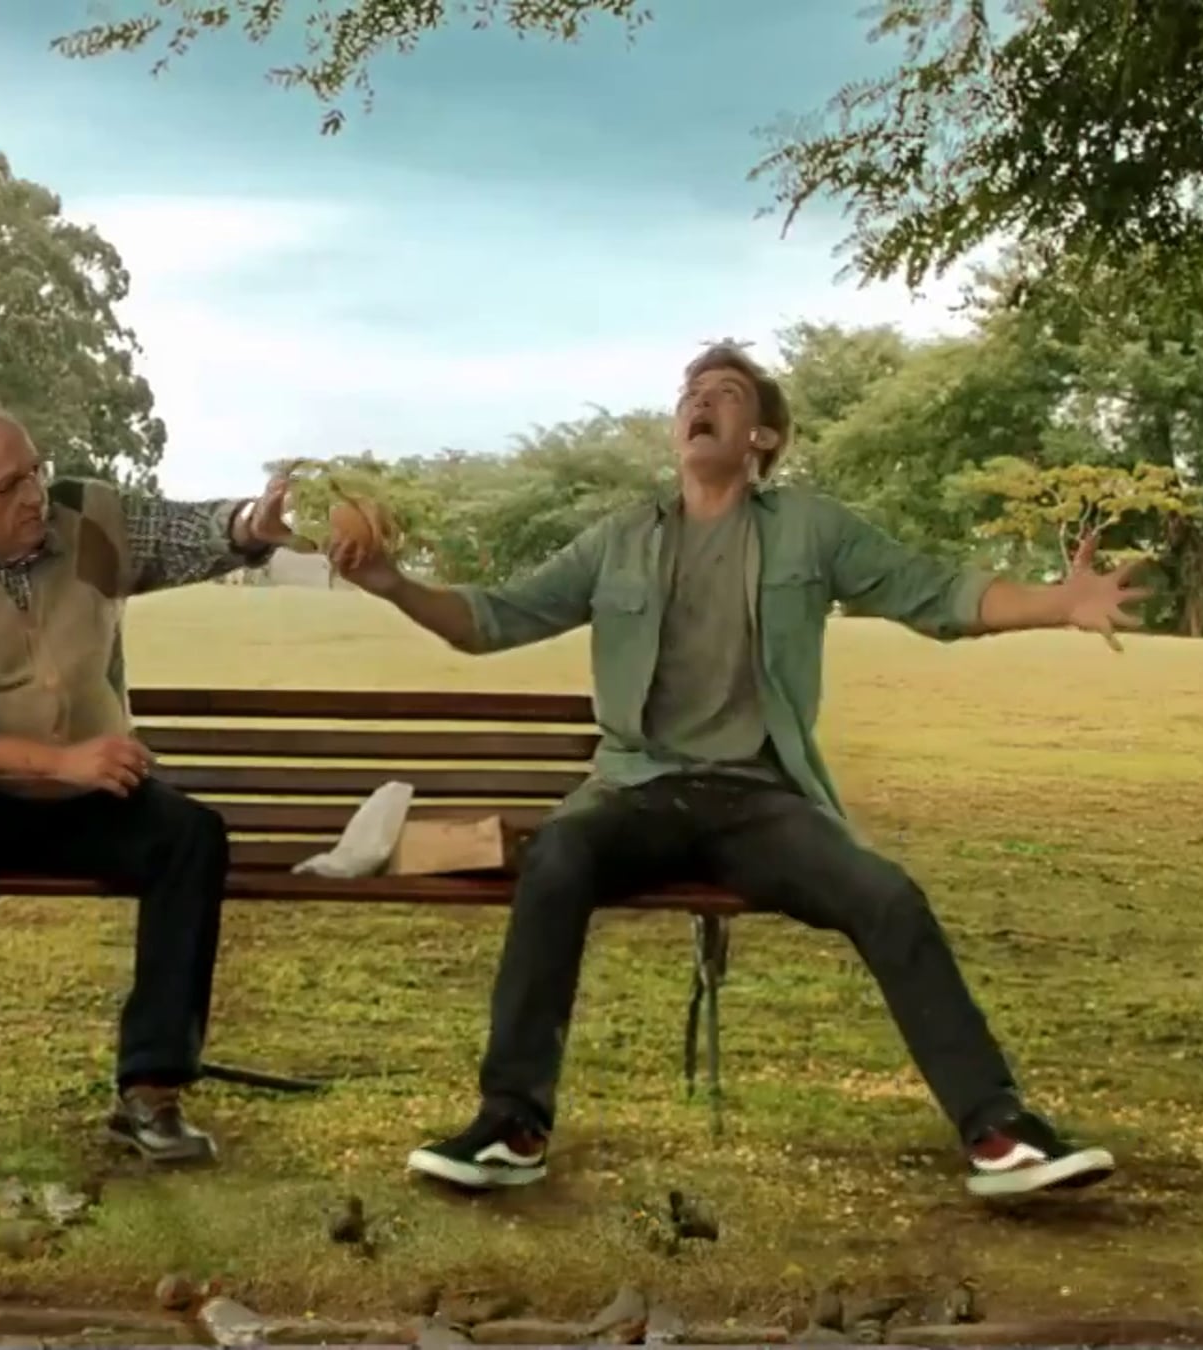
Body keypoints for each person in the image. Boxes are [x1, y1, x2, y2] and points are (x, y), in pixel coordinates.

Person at [327, 345, 1141, 1199]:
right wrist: (391, 583)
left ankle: (1000, 1131)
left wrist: (1059, 601)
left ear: (763, 437)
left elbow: (933, 592)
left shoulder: (810, 529)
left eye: (724, 392)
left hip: (760, 803)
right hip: (637, 792)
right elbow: (492, 619)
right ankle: (510, 1126)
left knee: (885, 895)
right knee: (558, 857)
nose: (700, 402)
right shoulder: (620, 540)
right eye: (691, 392)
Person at [0, 404, 295, 1167]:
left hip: (92, 798)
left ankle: (151, 1091)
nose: (34, 495)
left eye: (36, 470)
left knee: (189, 837)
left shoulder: (89, 517)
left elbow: (186, 533)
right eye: (9, 486)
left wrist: (254, 522)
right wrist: (59, 762)